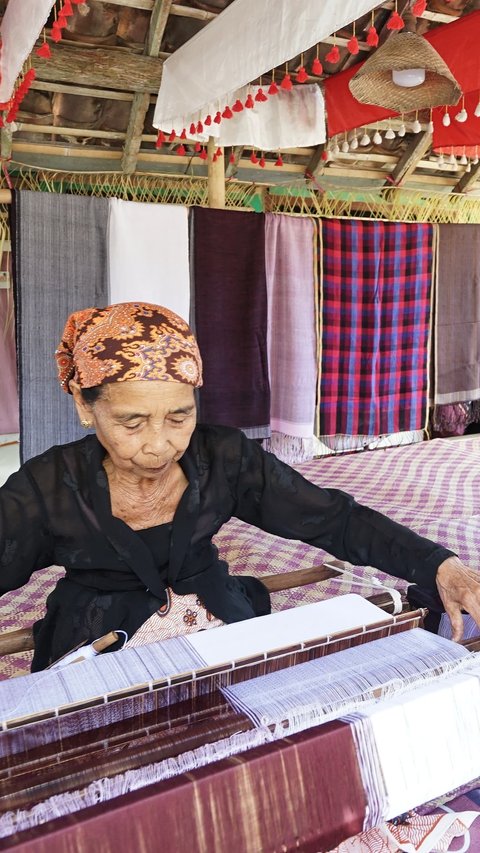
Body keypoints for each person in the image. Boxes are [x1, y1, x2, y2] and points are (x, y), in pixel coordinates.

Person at [1, 301, 479, 671]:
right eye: (132, 422)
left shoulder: (222, 457)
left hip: (222, 627)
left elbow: (333, 518)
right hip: (100, 646)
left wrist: (436, 563)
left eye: (179, 415)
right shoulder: (48, 487)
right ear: (86, 409)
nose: (159, 444)